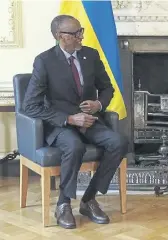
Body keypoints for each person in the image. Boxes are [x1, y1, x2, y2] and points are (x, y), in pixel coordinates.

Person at [22, 15, 128, 229]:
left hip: (89, 120)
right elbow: (30, 105)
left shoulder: (90, 54)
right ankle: (63, 204)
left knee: (118, 142)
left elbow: (107, 88)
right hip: (61, 124)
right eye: (75, 33)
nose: (80, 36)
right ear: (59, 36)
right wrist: (69, 118)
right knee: (74, 145)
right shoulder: (44, 61)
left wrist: (98, 104)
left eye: (81, 31)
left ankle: (89, 199)